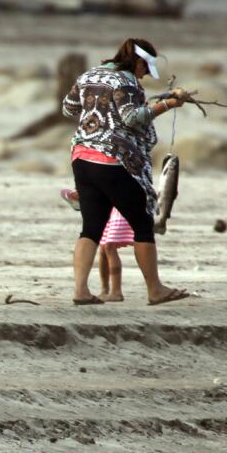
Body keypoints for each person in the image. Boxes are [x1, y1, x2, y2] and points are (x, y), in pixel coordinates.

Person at [62, 37, 190, 307]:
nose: (144, 76)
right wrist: (168, 104)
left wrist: (97, 109)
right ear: (139, 61)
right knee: (142, 225)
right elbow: (132, 118)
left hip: (82, 158)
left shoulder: (90, 74)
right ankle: (155, 290)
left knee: (91, 228)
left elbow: (68, 108)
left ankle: (81, 291)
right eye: (145, 69)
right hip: (113, 160)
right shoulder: (127, 82)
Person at [60, 192, 132, 301]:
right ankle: (105, 289)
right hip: (108, 206)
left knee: (108, 246)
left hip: (118, 206)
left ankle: (116, 291)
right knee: (103, 248)